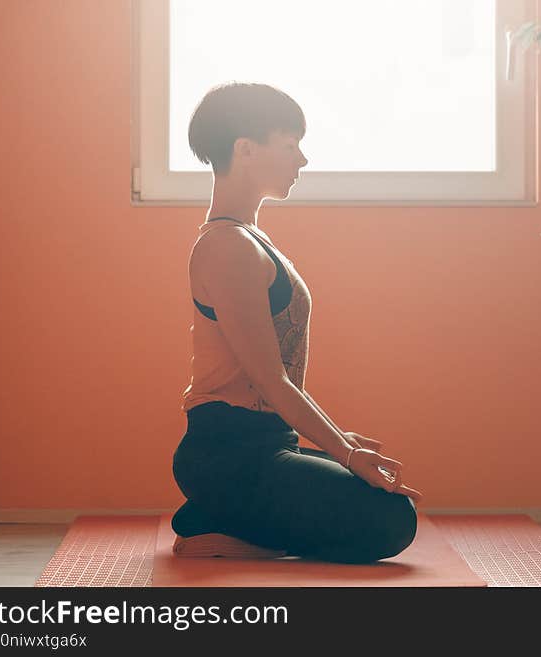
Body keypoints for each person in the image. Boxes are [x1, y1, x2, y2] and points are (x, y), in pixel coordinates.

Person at [170, 82, 422, 564]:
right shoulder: (227, 249)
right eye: (290, 145)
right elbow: (271, 379)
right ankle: (215, 517)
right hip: (225, 455)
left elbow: (275, 385)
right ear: (245, 149)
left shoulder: (250, 241)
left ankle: (221, 521)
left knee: (390, 495)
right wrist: (346, 453)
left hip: (268, 445)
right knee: (391, 521)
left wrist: (342, 442)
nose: (302, 160)